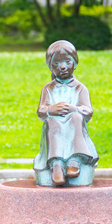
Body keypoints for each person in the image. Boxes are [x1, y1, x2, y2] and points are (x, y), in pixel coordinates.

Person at [34, 40, 98, 186]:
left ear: (74, 64)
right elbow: (41, 111)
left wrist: (74, 109)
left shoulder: (80, 88)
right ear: (50, 66)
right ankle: (56, 163)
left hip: (74, 124)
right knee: (52, 121)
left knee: (76, 118)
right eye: (56, 63)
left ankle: (75, 159)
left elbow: (88, 111)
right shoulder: (48, 89)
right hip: (54, 125)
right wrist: (50, 110)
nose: (62, 67)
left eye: (67, 62)